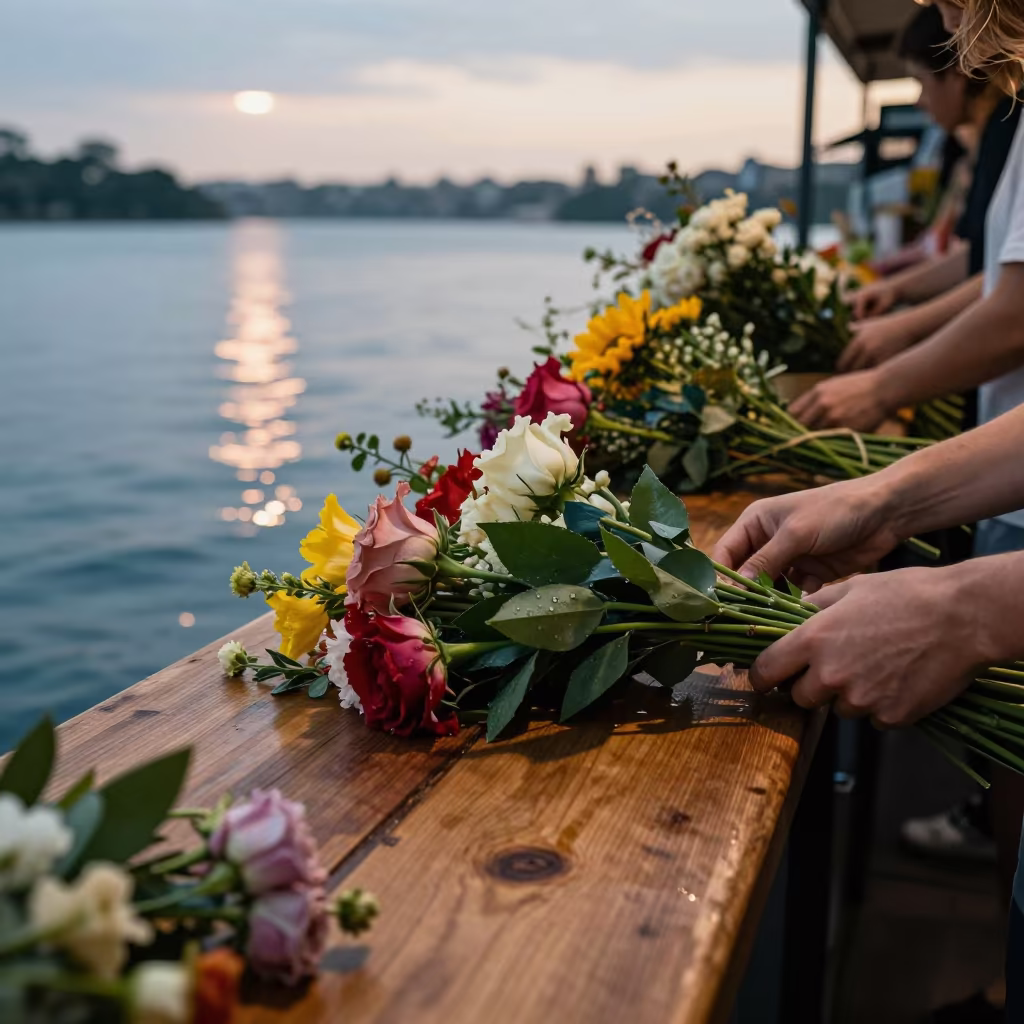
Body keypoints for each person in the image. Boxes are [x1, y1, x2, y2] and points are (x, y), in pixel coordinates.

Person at [788, 14, 1024, 433]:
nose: (951, 23)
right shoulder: (1002, 130)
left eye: (920, 82)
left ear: (954, 73)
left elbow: (1011, 300)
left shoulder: (1008, 124)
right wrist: (897, 289)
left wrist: (885, 382)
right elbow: (989, 258)